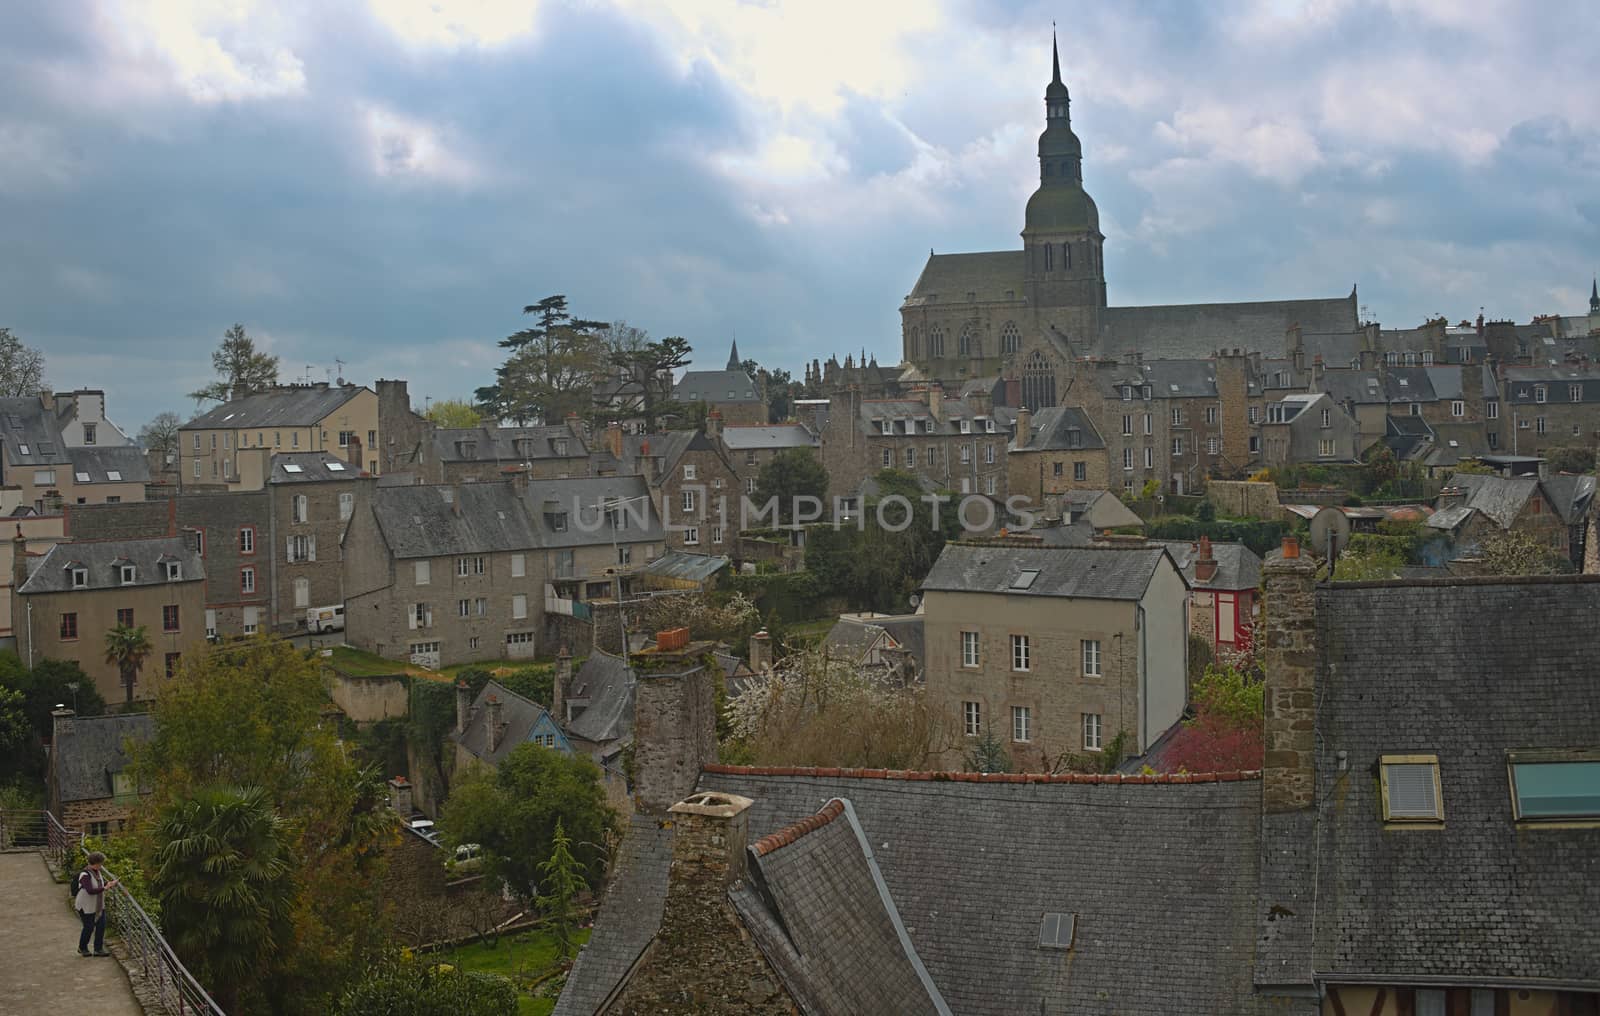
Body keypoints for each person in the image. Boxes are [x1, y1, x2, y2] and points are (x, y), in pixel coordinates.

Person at [74, 851, 118, 957]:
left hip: (98, 905)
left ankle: (98, 949)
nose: (102, 865)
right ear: (97, 863)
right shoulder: (85, 874)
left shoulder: (97, 872)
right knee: (88, 927)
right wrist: (105, 888)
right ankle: (82, 947)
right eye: (101, 863)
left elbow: (100, 884)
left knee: (101, 926)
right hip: (86, 906)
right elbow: (90, 890)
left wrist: (109, 884)